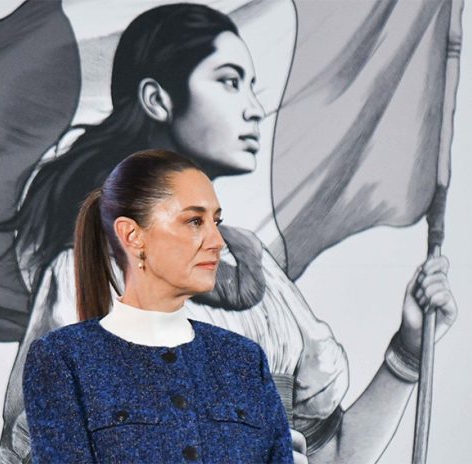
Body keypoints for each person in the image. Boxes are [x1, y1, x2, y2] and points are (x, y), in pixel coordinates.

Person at [0, 4, 458, 464]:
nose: (256, 110)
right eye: (229, 80)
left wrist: (408, 354)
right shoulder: (83, 282)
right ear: (158, 99)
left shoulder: (252, 299)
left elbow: (332, 456)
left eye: (213, 221)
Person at [22, 149, 294, 463]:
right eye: (194, 221)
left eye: (216, 221)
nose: (217, 240)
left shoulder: (245, 361)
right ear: (132, 235)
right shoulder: (63, 360)